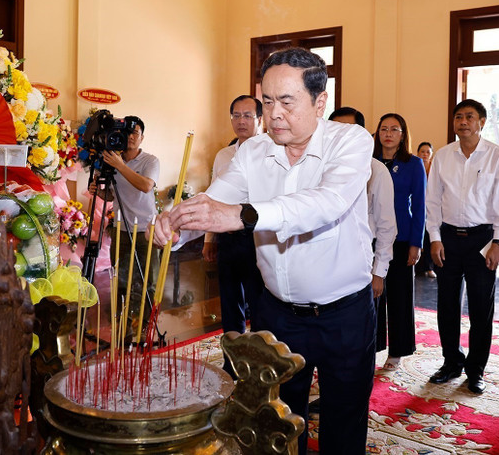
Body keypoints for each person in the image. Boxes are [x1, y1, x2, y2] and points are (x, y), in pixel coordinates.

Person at [152, 47, 376, 455]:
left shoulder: (352, 141)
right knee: (275, 424)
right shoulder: (253, 151)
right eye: (267, 101)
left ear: (319, 101)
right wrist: (176, 221)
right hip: (276, 314)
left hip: (343, 312)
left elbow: (325, 203)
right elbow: (216, 201)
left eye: (287, 102)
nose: (273, 114)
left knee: (344, 424)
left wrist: (244, 214)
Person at [425, 99, 499, 394]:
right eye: (458, 117)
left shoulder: (497, 156)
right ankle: (451, 362)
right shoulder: (443, 155)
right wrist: (434, 238)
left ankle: (476, 369)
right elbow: (433, 201)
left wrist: (498, 243)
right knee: (446, 305)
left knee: (480, 308)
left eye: (469, 117)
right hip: (448, 238)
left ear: (482, 122)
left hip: (482, 239)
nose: (463, 121)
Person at [202, 95, 266, 376]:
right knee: (230, 302)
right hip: (228, 236)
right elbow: (214, 197)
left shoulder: (271, 152)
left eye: (248, 116)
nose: (241, 121)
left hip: (260, 237)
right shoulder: (223, 155)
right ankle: (232, 360)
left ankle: (261, 360)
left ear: (260, 120)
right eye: (236, 115)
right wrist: (208, 238)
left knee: (260, 302)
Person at [331, 108, 396, 364]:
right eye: (334, 129)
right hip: (326, 264)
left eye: (347, 130)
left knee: (356, 336)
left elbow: (386, 226)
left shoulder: (376, 170)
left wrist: (379, 271)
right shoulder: (316, 166)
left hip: (359, 261)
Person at [96, 116, 160, 326]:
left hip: (145, 230)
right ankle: (121, 322)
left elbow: (146, 186)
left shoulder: (150, 161)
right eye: (128, 133)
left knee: (146, 281)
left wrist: (120, 165)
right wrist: (98, 191)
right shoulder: (112, 159)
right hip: (121, 228)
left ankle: (145, 324)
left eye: (136, 133)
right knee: (121, 280)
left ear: (142, 138)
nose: (131, 137)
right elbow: (112, 196)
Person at [373, 113, 425, 369]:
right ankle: (373, 344)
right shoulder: (368, 162)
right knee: (373, 294)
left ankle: (398, 350)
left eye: (395, 129)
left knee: (399, 296)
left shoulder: (413, 164)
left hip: (402, 237)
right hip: (371, 237)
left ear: (403, 134)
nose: (389, 133)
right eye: (384, 129)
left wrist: (416, 242)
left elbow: (420, 205)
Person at [415, 142, 436, 278]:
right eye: (422, 151)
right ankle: (416, 266)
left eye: (428, 152)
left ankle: (429, 267)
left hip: (430, 209)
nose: (425, 154)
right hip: (416, 207)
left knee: (429, 238)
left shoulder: (434, 169)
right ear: (417, 153)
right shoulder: (414, 167)